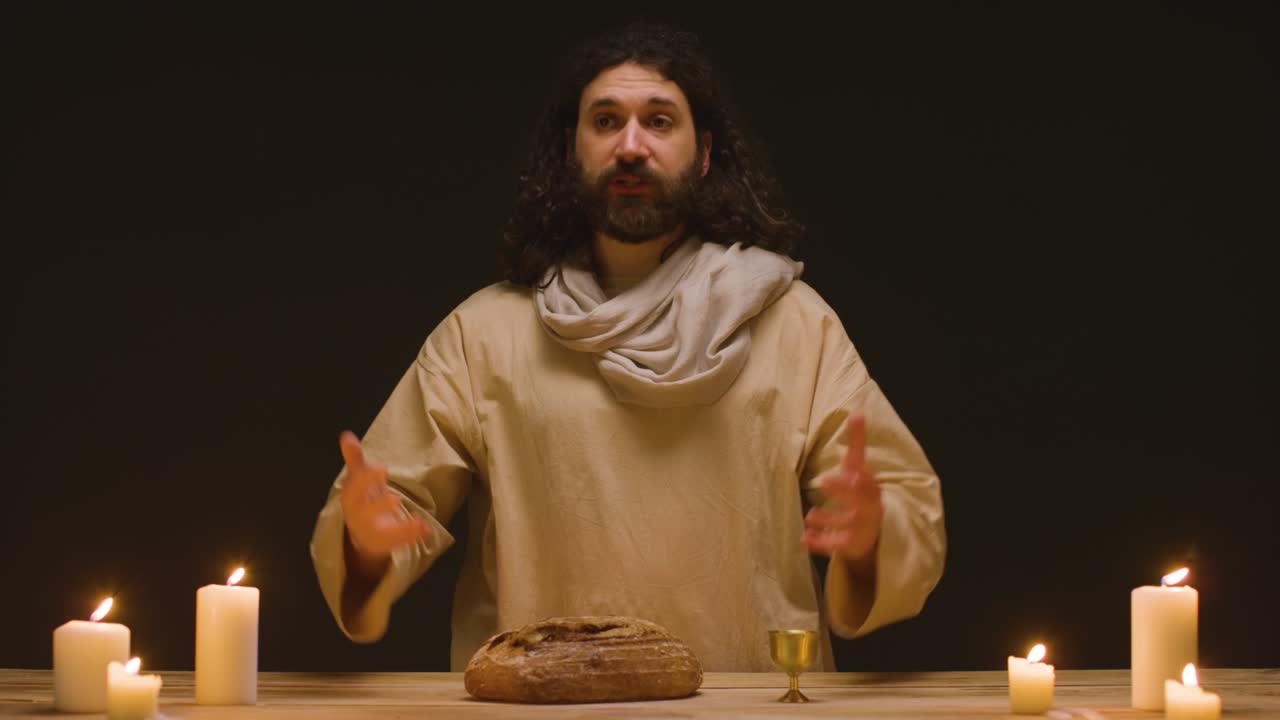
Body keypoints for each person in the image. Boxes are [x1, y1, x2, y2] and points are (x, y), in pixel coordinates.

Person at [309, 20, 945, 673]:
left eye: (660, 121)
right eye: (606, 121)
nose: (631, 145)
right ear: (570, 152)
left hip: (748, 711)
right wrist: (364, 543)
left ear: (702, 153)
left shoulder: (794, 326)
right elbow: (381, 511)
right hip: (543, 710)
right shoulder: (484, 335)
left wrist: (871, 538)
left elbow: (906, 506)